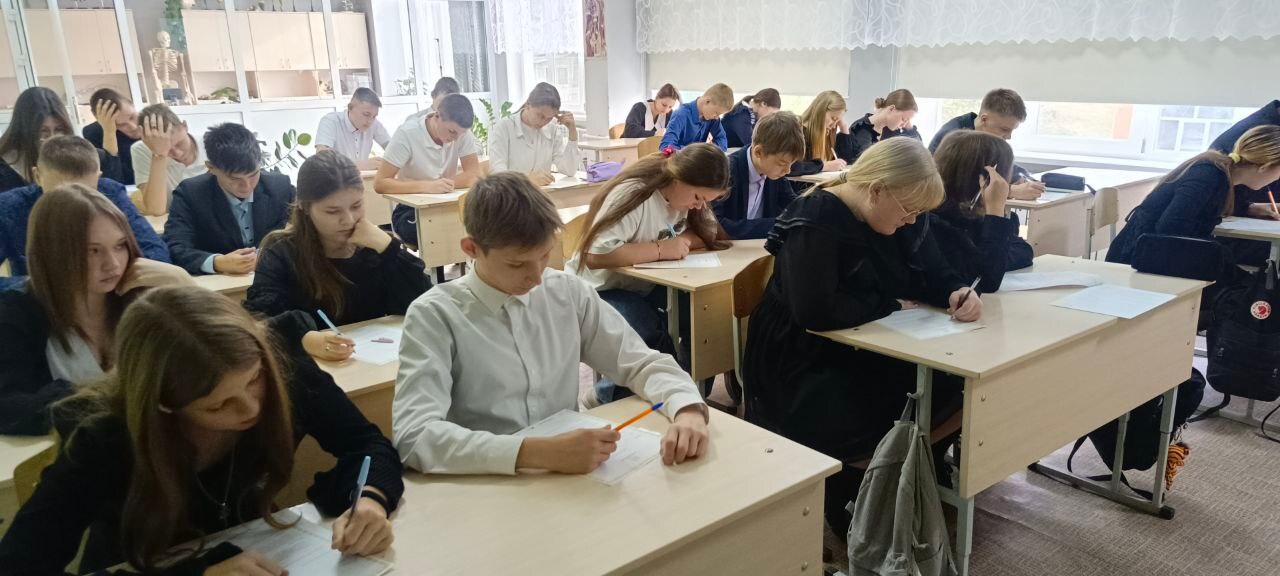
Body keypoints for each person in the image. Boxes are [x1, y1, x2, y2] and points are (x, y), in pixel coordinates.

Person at [0, 285, 403, 574]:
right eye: (218, 404)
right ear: (164, 405)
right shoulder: (104, 437)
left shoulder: (284, 371)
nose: (251, 407)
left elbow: (366, 444)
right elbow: (18, 565)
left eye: (254, 379)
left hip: (267, 551)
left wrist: (370, 499)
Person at [393, 171, 710, 475]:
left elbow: (640, 363)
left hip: (572, 471)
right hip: (485, 481)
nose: (536, 277)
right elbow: (414, 436)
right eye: (516, 264)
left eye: (544, 256)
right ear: (472, 249)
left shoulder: (566, 291)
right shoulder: (435, 315)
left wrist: (687, 409)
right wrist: (533, 453)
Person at [742, 137, 980, 532]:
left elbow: (930, 272)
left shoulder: (897, 213)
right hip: (799, 358)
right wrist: (887, 305)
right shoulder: (816, 217)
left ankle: (904, 477)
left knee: (954, 386)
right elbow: (815, 312)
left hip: (862, 340)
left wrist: (955, 291)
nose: (911, 220)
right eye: (908, 210)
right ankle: (855, 490)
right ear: (877, 190)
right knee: (901, 394)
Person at [0, 184, 190, 435]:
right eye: (93, 251)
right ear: (53, 252)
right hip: (76, 451)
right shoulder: (17, 313)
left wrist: (184, 285)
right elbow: (10, 410)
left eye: (120, 246)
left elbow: (199, 371)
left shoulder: (141, 296)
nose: (113, 264)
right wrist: (102, 390)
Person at [568, 143, 731, 400]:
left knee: (706, 316)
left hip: (643, 284)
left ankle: (686, 392)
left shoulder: (685, 198)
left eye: (706, 201)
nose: (699, 206)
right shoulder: (634, 194)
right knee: (646, 334)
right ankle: (606, 396)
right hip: (602, 287)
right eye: (698, 198)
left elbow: (707, 231)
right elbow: (595, 256)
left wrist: (682, 241)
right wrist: (661, 249)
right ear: (679, 178)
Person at [246, 151, 430, 361]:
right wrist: (304, 339)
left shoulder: (376, 245)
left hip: (375, 361)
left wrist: (389, 248)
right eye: (333, 212)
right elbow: (258, 319)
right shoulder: (282, 252)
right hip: (313, 366)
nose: (348, 220)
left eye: (356, 206)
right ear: (305, 207)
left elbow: (424, 303)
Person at [1107, 125, 1280, 277]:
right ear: (1265, 167)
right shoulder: (1208, 175)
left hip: (1162, 258)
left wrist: (1251, 209)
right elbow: (1170, 228)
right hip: (1137, 261)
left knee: (1245, 285)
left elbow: (1200, 206)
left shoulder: (1221, 174)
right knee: (1244, 290)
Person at [0, 136, 169, 291]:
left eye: (87, 191)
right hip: (42, 302)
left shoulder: (110, 193)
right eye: (61, 194)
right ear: (37, 176)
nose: (74, 202)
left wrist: (113, 276)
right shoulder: (10, 207)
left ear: (98, 177)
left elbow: (156, 253)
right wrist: (46, 284)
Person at [163, 123, 294, 276]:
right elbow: (175, 247)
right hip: (219, 283)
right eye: (234, 178)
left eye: (253, 175)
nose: (246, 186)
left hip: (274, 276)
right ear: (211, 168)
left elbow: (304, 231)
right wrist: (217, 262)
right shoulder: (190, 194)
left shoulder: (280, 187)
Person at [929, 130, 1034, 292]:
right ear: (987, 179)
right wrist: (995, 210)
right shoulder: (937, 220)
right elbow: (984, 281)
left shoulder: (974, 214)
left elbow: (1023, 251)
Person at [377, 93, 481, 246]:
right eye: (451, 132)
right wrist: (427, 186)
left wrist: (445, 184)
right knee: (433, 231)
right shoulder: (407, 133)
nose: (456, 138)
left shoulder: (460, 133)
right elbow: (380, 183)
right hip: (410, 210)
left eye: (462, 134)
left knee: (484, 225)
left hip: (449, 205)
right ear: (437, 116)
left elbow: (474, 174)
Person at [927, 88, 1043, 200]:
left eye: (1012, 130)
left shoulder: (986, 137)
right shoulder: (953, 138)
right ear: (984, 119)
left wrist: (1025, 178)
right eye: (1004, 129)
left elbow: (997, 167)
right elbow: (951, 188)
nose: (1009, 136)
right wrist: (1009, 191)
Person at [0, 87, 121, 193]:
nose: (53, 139)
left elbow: (112, 185)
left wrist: (109, 132)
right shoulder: (5, 168)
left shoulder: (80, 155)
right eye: (43, 132)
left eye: (59, 130)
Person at [713, 111, 806, 239]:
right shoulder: (725, 171)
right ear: (759, 152)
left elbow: (793, 207)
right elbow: (716, 225)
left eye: (791, 164)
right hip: (731, 247)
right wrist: (778, 224)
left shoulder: (774, 172)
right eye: (782, 163)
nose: (788, 170)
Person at [487, 82, 579, 185]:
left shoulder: (552, 129)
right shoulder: (504, 127)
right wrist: (526, 180)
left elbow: (569, 170)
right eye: (540, 115)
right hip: (512, 193)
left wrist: (572, 132)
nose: (543, 122)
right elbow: (497, 174)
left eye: (549, 118)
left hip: (543, 193)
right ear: (528, 104)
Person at [131, 103, 208, 215]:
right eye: (167, 149)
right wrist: (159, 155)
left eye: (180, 143)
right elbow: (155, 209)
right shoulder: (142, 150)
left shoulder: (211, 144)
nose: (177, 153)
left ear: (185, 126)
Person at [315, 87, 392, 171]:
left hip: (361, 178)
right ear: (350, 107)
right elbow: (322, 159)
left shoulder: (374, 124)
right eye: (366, 114)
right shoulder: (331, 121)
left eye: (374, 116)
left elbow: (393, 149)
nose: (370, 121)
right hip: (336, 178)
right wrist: (358, 165)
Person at [82, 88, 143, 185]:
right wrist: (109, 132)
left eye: (132, 117)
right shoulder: (94, 134)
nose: (133, 127)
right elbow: (112, 183)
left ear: (132, 104)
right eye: (121, 125)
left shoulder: (153, 120)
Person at [788, 90, 852, 177]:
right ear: (821, 111)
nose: (834, 126)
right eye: (833, 118)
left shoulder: (827, 134)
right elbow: (791, 167)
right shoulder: (796, 132)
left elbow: (845, 161)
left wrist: (844, 127)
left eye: (837, 122)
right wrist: (823, 166)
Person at [846, 89, 919, 163]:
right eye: (903, 119)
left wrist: (909, 126)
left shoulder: (892, 129)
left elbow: (918, 151)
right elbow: (868, 163)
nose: (904, 124)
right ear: (891, 109)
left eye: (907, 121)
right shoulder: (861, 129)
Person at [658, 83, 734, 151]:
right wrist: (696, 152)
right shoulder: (680, 114)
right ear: (707, 101)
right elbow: (665, 147)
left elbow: (722, 140)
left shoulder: (713, 118)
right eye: (716, 113)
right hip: (680, 161)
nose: (717, 117)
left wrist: (709, 150)